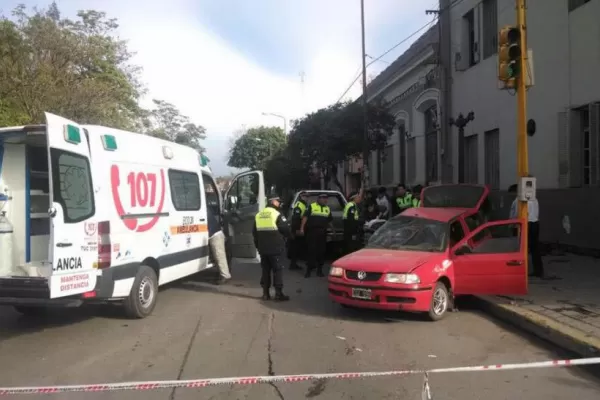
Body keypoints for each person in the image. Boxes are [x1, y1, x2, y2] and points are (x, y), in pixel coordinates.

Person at [252, 194, 291, 301]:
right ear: (273, 202)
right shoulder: (277, 214)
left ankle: (265, 294)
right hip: (276, 248)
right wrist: (289, 238)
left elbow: (254, 233)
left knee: (265, 270)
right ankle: (278, 294)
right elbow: (285, 229)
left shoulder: (259, 215)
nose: (279, 203)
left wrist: (258, 247)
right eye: (278, 201)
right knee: (277, 270)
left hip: (263, 249)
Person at [509, 184, 544, 278]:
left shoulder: (519, 200)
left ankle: (519, 270)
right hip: (535, 223)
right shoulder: (534, 199)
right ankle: (539, 271)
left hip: (524, 224)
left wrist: (512, 225)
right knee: (534, 248)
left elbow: (516, 214)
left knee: (519, 248)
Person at [300, 193, 333, 278]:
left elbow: (329, 221)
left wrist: (333, 231)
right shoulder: (312, 206)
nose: (325, 200)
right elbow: (305, 218)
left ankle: (319, 270)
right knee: (311, 251)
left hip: (322, 232)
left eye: (326, 198)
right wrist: (302, 228)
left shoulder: (327, 208)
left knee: (321, 251)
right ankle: (308, 271)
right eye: (323, 198)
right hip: (312, 232)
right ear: (318, 199)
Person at [207, 207, 232, 285]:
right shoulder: (205, 209)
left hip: (215, 235)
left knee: (219, 256)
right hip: (215, 234)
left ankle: (225, 276)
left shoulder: (203, 210)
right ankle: (221, 275)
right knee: (217, 257)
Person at [289, 191, 308, 270]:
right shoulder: (299, 205)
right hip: (297, 229)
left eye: (307, 197)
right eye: (305, 197)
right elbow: (295, 219)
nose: (306, 198)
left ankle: (294, 263)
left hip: (299, 228)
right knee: (295, 247)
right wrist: (297, 230)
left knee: (298, 247)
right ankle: (293, 264)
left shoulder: (304, 205)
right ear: (301, 197)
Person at [342, 189, 363, 255]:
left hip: (348, 229)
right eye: (358, 197)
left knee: (349, 246)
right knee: (351, 247)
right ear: (354, 198)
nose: (360, 198)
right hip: (350, 230)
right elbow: (351, 220)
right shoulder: (352, 206)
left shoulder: (351, 205)